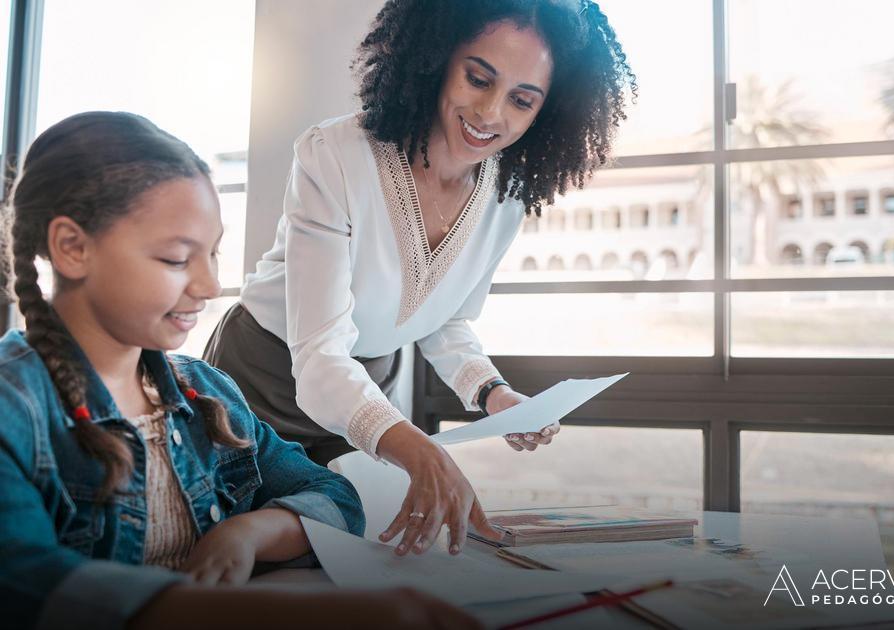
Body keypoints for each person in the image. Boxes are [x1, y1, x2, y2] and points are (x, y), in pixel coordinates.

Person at [0, 111, 480, 630]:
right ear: (72, 247)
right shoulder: (15, 407)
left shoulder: (207, 394)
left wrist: (249, 532)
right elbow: (28, 585)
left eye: (213, 254)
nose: (209, 287)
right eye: (175, 259)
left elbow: (336, 497)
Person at [205, 0, 634, 557]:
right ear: (436, 59)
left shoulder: (506, 196)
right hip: (262, 379)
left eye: (522, 100)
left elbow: (446, 317)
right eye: (478, 78)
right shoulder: (336, 156)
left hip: (363, 398)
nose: (489, 113)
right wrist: (417, 449)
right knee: (235, 546)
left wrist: (494, 394)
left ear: (546, 112)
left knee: (334, 544)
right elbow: (319, 359)